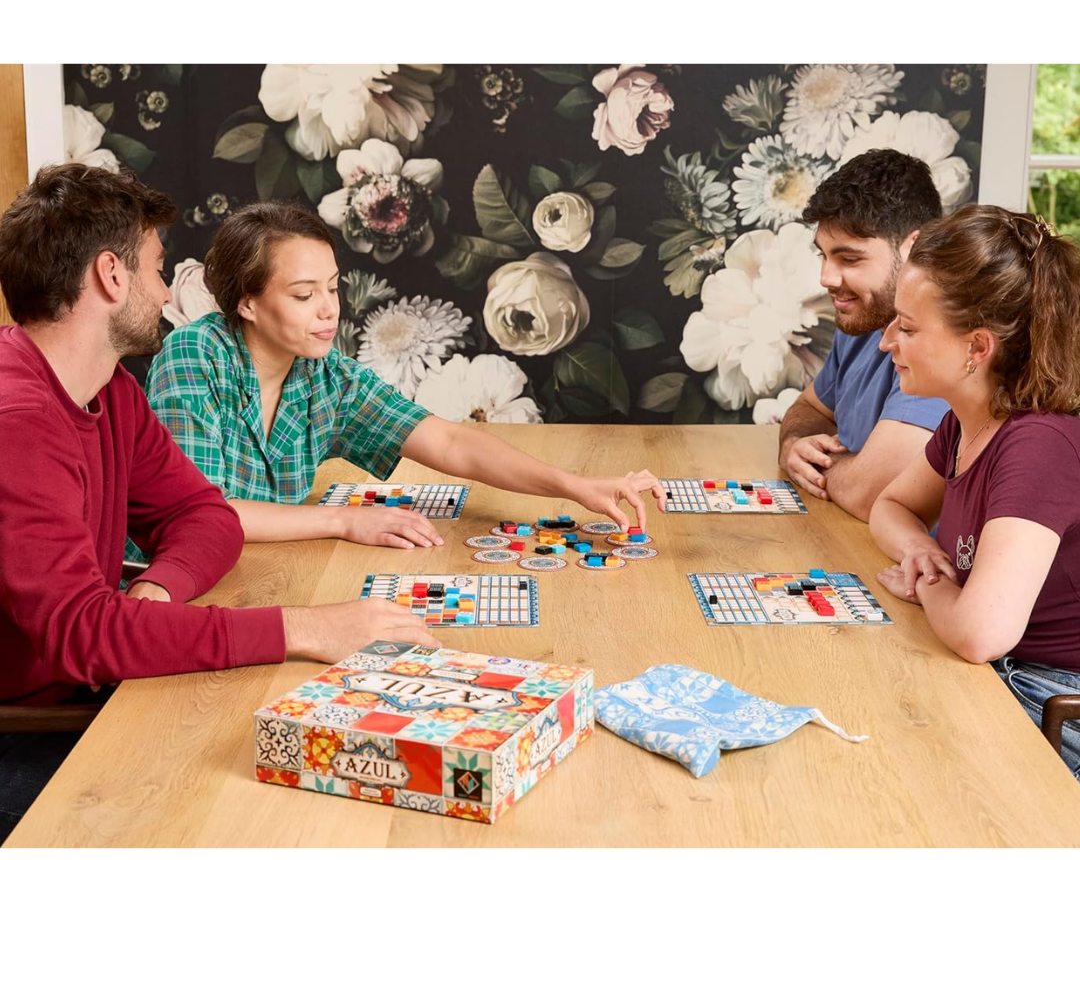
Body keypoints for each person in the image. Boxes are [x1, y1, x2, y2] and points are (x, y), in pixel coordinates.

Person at [0, 165, 436, 839]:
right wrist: (306, 629)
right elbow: (83, 632)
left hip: (90, 693)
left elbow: (205, 516)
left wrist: (159, 589)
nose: (162, 290)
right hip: (29, 733)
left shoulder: (109, 390)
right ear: (111, 276)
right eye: (156, 269)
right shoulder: (19, 421)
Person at [144, 200, 663, 549]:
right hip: (171, 586)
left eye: (333, 287)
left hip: (265, 570)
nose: (329, 309)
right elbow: (202, 515)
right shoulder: (193, 355)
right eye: (304, 295)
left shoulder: (327, 376)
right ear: (247, 303)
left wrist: (574, 486)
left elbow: (452, 443)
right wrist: (344, 520)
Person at [870, 205, 1080, 780]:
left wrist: (929, 584)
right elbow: (891, 506)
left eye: (908, 328)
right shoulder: (967, 422)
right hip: (1005, 671)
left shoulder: (1038, 445)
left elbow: (981, 634)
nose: (887, 342)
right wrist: (918, 549)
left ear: (977, 348)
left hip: (1052, 700)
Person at [778, 149, 950, 521]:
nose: (826, 278)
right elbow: (811, 408)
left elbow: (870, 494)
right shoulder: (862, 318)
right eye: (824, 256)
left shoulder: (944, 345)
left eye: (850, 259)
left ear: (915, 246)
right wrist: (795, 445)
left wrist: (817, 470)